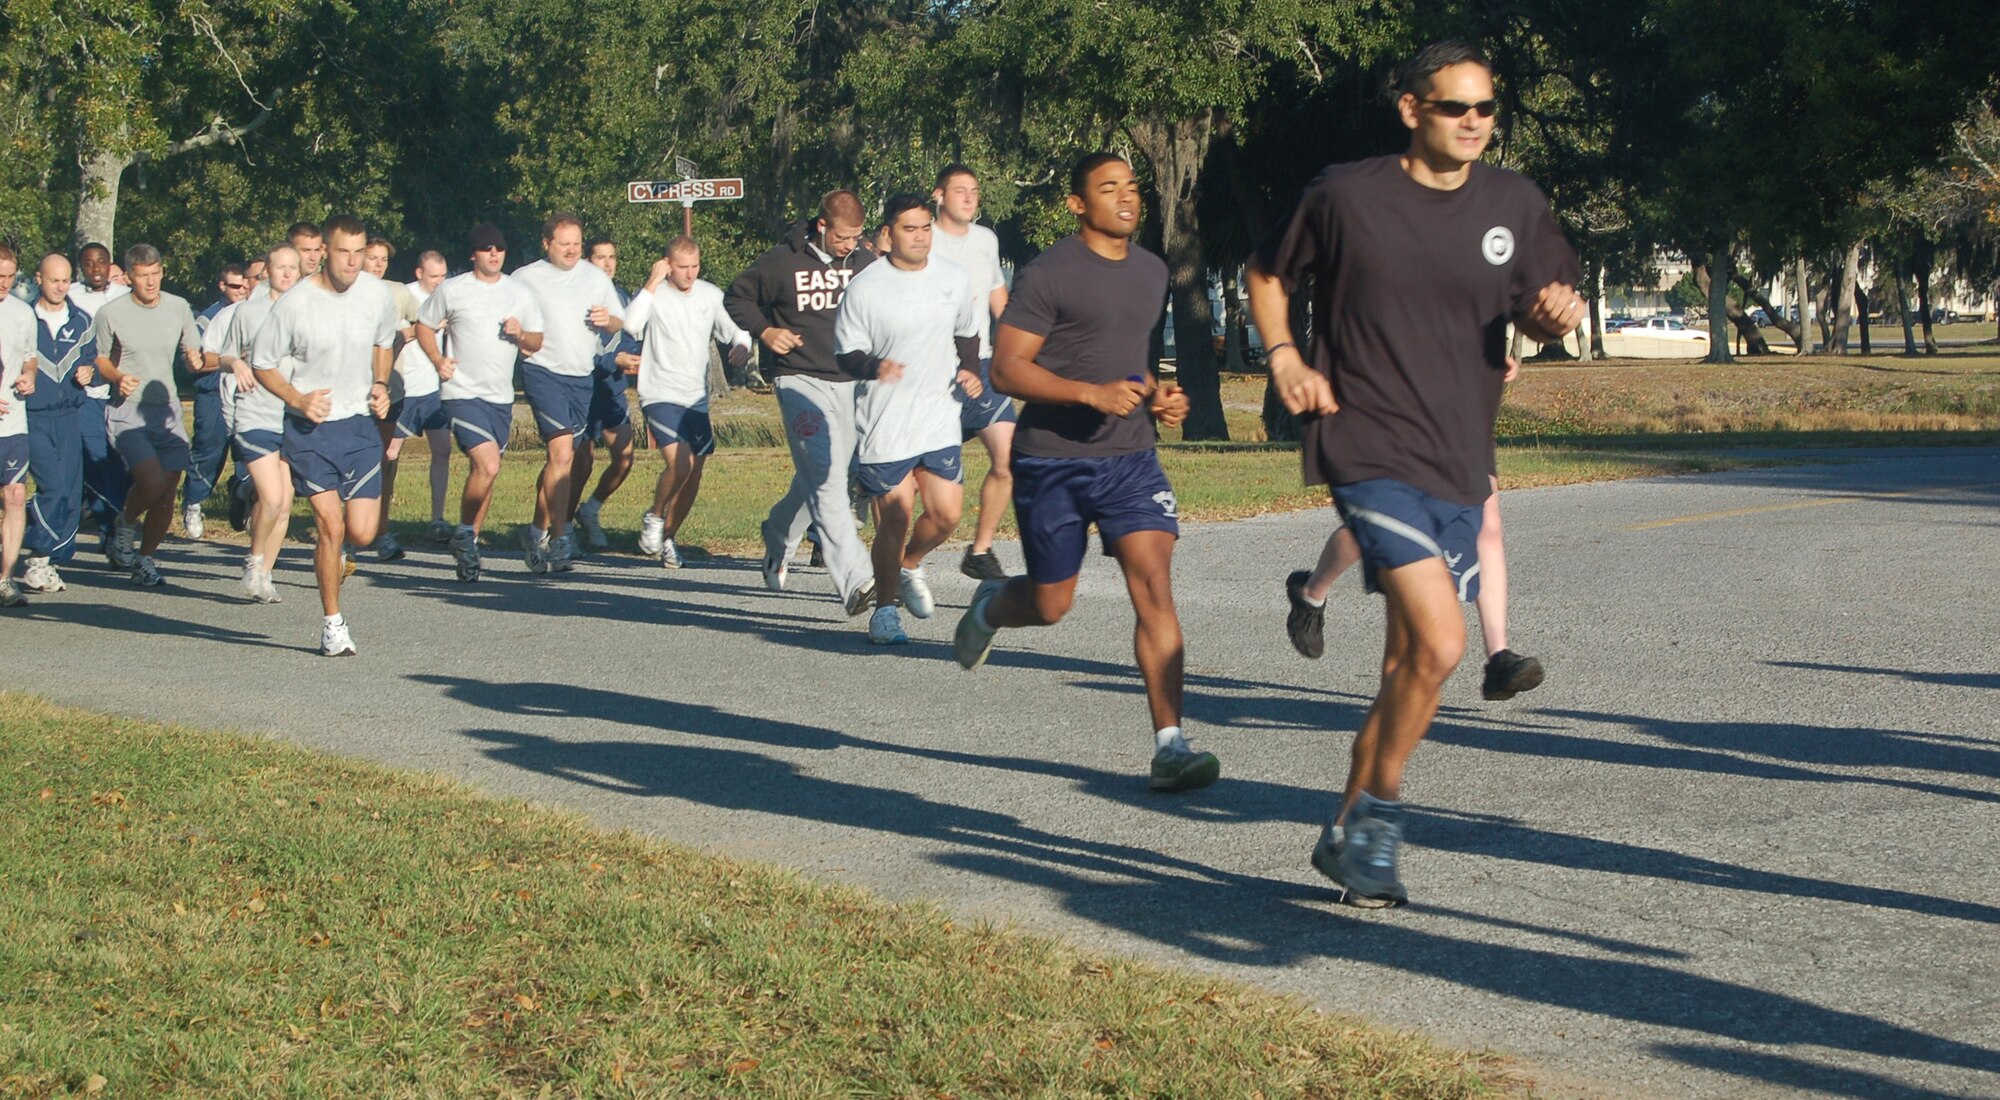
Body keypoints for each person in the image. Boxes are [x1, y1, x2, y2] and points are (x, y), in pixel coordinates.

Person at [1247, 39, 1584, 906]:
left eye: (1485, 109)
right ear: (1411, 109)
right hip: (1365, 446)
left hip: (1459, 458)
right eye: (1454, 107)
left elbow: (1545, 309)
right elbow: (1267, 274)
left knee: (1408, 667)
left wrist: (1553, 316)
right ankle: (1379, 822)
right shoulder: (1348, 196)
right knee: (1443, 640)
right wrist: (1283, 354)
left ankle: (1344, 834)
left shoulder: (1516, 202)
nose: (1474, 122)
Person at [952, 153, 1218, 794]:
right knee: (1050, 604)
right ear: (1077, 203)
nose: (1126, 197)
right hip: (1052, 463)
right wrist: (1088, 395)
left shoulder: (1153, 271)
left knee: (1154, 585)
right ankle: (992, 605)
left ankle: (1170, 745)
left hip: (1130, 459)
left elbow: (1127, 362)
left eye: (1132, 186)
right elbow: (1009, 370)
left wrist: (1156, 398)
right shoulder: (1049, 275)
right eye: (1108, 188)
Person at [833, 195, 982, 644]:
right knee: (895, 517)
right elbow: (846, 354)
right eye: (909, 229)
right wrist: (874, 367)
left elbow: (967, 332)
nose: (919, 237)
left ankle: (907, 564)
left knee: (947, 515)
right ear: (888, 234)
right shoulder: (866, 286)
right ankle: (884, 610)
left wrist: (970, 369)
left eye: (924, 228)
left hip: (938, 413)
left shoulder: (952, 279)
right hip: (887, 420)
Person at [724, 190, 878, 614]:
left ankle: (778, 533)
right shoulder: (781, 262)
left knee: (831, 473)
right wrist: (766, 332)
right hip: (800, 380)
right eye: (844, 237)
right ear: (823, 226)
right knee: (826, 482)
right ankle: (858, 581)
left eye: (857, 237)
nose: (850, 245)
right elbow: (736, 297)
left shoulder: (865, 263)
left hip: (852, 382)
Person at [250, 215, 397, 656]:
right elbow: (262, 363)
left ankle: (335, 562)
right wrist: (297, 400)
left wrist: (381, 384)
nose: (352, 262)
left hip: (357, 425)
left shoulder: (375, 294)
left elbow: (385, 343)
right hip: (309, 429)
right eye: (342, 252)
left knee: (364, 533)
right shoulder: (295, 304)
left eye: (359, 252)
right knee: (330, 525)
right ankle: (333, 624)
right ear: (322, 254)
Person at [1285, 469, 1544, 700]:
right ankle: (1310, 593)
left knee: (1487, 520)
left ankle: (1499, 657)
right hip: (1402, 423)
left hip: (1461, 420)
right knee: (1382, 522)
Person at [415, 224, 545, 582]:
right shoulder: (453, 290)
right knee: (486, 465)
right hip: (461, 393)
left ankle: (468, 542)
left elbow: (536, 343)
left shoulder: (519, 293)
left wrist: (521, 334)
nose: (494, 254)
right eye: (486, 248)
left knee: (488, 473)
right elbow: (424, 325)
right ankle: (464, 533)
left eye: (499, 249)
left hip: (500, 397)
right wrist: (438, 361)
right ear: (473, 253)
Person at [623, 236, 751, 568]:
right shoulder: (655, 294)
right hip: (660, 394)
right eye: (682, 267)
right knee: (680, 464)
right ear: (667, 264)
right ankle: (654, 516)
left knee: (694, 473)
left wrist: (741, 345)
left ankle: (668, 536)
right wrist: (652, 281)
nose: (690, 274)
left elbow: (737, 329)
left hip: (695, 397)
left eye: (695, 266)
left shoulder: (709, 294)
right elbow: (632, 324)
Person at [509, 214, 625, 574]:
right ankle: (561, 540)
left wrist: (610, 321)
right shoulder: (524, 278)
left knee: (563, 461)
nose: (573, 249)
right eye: (565, 243)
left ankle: (536, 530)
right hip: (542, 370)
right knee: (560, 453)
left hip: (582, 375)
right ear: (546, 244)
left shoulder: (593, 276)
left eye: (577, 243)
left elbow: (621, 320)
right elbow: (503, 320)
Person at [91, 243, 203, 586]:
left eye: (156, 274)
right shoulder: (111, 313)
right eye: (143, 276)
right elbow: (100, 360)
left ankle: (145, 559)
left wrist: (195, 360)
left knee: (167, 491)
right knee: (151, 482)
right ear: (128, 277)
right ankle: (124, 525)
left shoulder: (178, 307)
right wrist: (117, 377)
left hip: (167, 408)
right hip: (129, 410)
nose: (151, 282)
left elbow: (193, 350)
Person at [929, 164, 1019, 582]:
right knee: (917, 480)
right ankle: (901, 558)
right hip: (932, 369)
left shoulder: (986, 240)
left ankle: (979, 552)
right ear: (938, 196)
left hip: (980, 365)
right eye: (960, 190)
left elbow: (998, 298)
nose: (969, 198)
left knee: (1009, 458)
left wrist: (1021, 342)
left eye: (975, 191)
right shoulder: (922, 239)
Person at [219, 245, 303, 602]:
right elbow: (224, 353)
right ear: (267, 270)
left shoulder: (306, 312)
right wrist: (235, 364)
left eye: (292, 268)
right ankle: (254, 563)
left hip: (291, 414)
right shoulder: (247, 312)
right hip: (255, 411)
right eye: (280, 267)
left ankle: (265, 574)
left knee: (285, 500)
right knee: (270, 496)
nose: (286, 273)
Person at [19, 253, 97, 592]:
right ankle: (33, 550)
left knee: (68, 491)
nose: (60, 287)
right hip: (32, 415)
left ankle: (47, 559)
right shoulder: (23, 318)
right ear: (39, 278)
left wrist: (89, 370)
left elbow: (92, 356)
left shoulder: (81, 320)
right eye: (54, 280)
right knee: (51, 486)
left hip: (69, 414)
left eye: (66, 280)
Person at [571, 237, 640, 551]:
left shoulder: (621, 296)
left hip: (611, 387)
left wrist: (632, 358)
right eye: (601, 257)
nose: (608, 263)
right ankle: (563, 524)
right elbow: (575, 348)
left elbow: (630, 336)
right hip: (583, 387)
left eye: (612, 256)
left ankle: (591, 509)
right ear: (588, 260)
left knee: (624, 458)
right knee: (580, 463)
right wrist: (612, 360)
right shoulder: (579, 296)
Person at [361, 235, 425, 562]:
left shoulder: (398, 292)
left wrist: (404, 336)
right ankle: (348, 530)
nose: (377, 264)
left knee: (382, 460)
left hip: (391, 389)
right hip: (352, 392)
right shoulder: (348, 291)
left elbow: (426, 320)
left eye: (382, 259)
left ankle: (382, 530)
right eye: (371, 257)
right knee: (352, 460)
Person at [181, 264, 252, 539]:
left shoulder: (255, 312)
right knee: (209, 452)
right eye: (235, 286)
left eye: (245, 285)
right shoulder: (210, 317)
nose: (242, 291)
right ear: (222, 286)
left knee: (249, 453)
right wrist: (229, 360)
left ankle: (244, 499)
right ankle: (194, 503)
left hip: (246, 394)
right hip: (212, 393)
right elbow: (197, 362)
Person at [68, 243, 129, 554]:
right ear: (81, 267)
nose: (95, 269)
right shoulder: (72, 299)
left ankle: (121, 518)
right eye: (88, 263)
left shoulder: (123, 297)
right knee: (97, 459)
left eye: (101, 262)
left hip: (122, 393)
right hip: (87, 394)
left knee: (123, 463)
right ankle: (109, 530)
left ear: (110, 265)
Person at [405, 250, 455, 543]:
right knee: (389, 455)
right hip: (403, 388)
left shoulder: (446, 297)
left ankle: (437, 518)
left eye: (443, 276)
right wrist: (423, 328)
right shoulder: (405, 296)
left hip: (432, 391)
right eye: (434, 276)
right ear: (419, 273)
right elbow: (390, 336)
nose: (439, 282)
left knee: (443, 450)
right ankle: (377, 522)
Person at [0, 247, 36, 606]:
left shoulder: (22, 313)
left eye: (10, 276)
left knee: (14, 494)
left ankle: (5, 578)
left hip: (12, 421)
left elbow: (31, 358)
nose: (4, 284)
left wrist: (29, 377)